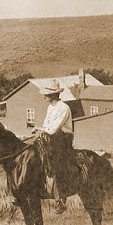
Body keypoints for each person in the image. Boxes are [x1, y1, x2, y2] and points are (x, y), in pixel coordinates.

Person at [31, 81, 74, 214]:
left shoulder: (64, 108)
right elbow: (46, 126)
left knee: (54, 164)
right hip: (50, 137)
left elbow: (53, 129)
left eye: (46, 94)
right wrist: (39, 131)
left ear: (53, 94)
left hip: (62, 139)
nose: (44, 96)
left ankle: (60, 200)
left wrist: (40, 129)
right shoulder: (50, 107)